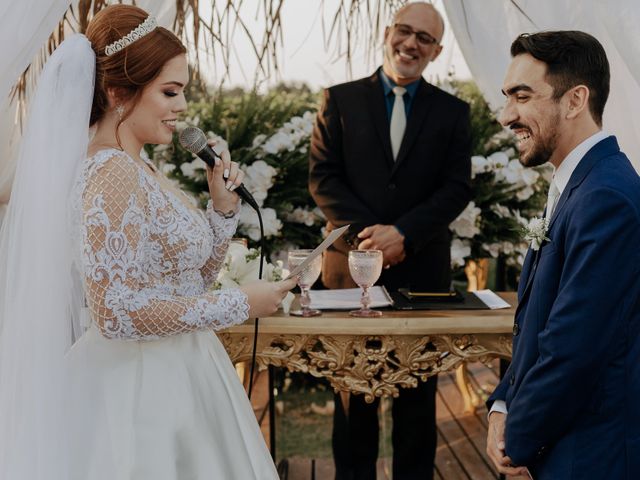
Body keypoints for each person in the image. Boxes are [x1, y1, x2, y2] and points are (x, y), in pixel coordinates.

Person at [0, 5, 296, 479]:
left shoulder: (137, 167)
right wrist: (240, 302)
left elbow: (187, 283)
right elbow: (116, 313)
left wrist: (221, 213)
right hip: (141, 392)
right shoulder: (111, 173)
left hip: (183, 371)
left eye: (183, 92)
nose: (182, 107)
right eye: (170, 91)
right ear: (119, 92)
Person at [309, 3, 471, 478]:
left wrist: (404, 234)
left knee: (418, 406)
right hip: (348, 273)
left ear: (436, 51)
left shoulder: (453, 112)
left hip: (421, 274)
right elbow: (322, 178)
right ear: (388, 33)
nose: (411, 44)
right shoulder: (338, 99)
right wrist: (373, 238)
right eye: (405, 31)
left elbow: (457, 186)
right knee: (353, 403)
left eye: (424, 38)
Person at [486, 30, 640, 479]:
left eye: (522, 96)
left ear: (575, 101)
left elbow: (573, 347)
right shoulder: (579, 184)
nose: (505, 116)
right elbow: (538, 321)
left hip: (590, 454)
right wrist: (502, 403)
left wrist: (517, 440)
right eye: (506, 97)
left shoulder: (607, 197)